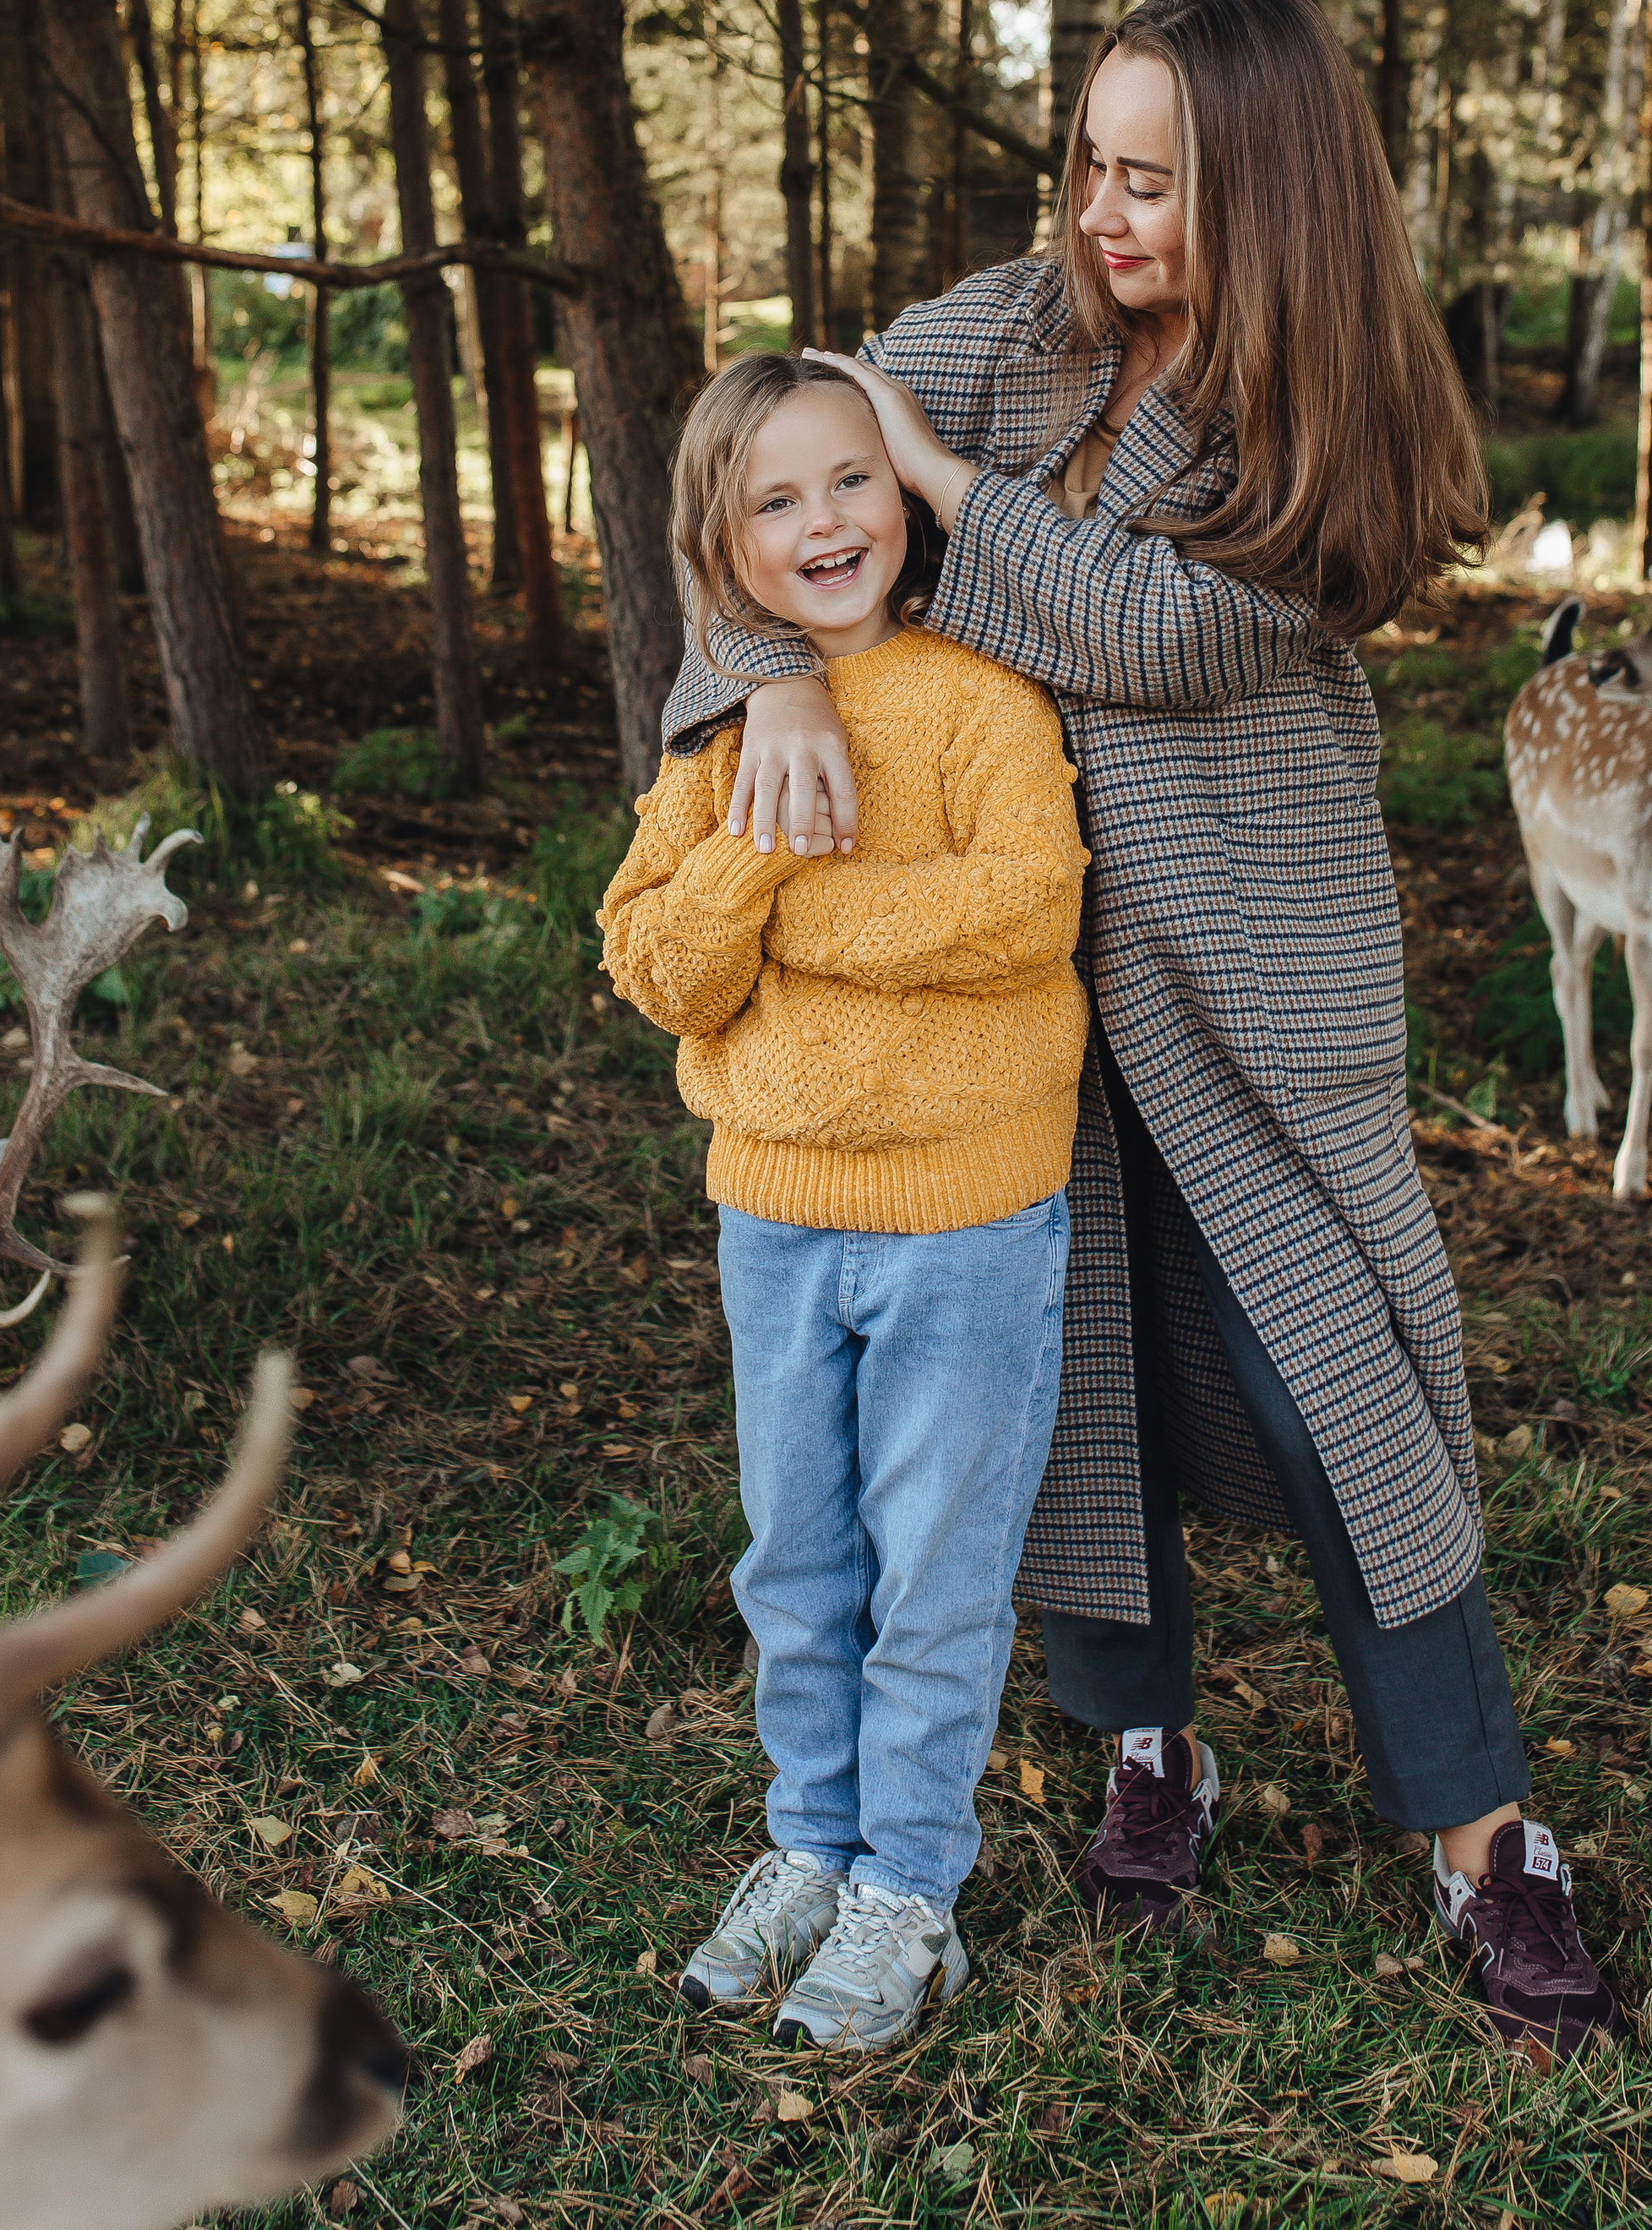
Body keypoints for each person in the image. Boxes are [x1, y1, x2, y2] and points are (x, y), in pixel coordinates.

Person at [662, 0, 1623, 2068]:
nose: (1104, 216)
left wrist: (936, 481)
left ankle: (1484, 1845)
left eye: (1154, 181)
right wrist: (771, 675)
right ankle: (1143, 1754)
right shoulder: (1009, 333)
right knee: (1057, 1376)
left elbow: (1157, 630)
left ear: (1265, 193)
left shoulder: (1327, 415)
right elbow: (756, 473)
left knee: (1333, 1390)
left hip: (1238, 978)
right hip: (989, 983)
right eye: (1089, 163)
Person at [598, 353, 1088, 2052]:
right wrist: (747, 844)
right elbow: (654, 962)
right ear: (722, 549)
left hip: (967, 1221)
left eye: (850, 482)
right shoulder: (716, 735)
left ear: (902, 497)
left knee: (932, 1569)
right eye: (775, 501)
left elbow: (1024, 912)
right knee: (798, 1560)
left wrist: (793, 924)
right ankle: (806, 1843)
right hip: (776, 1220)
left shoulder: (979, 705)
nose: (823, 524)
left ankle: (907, 1890)